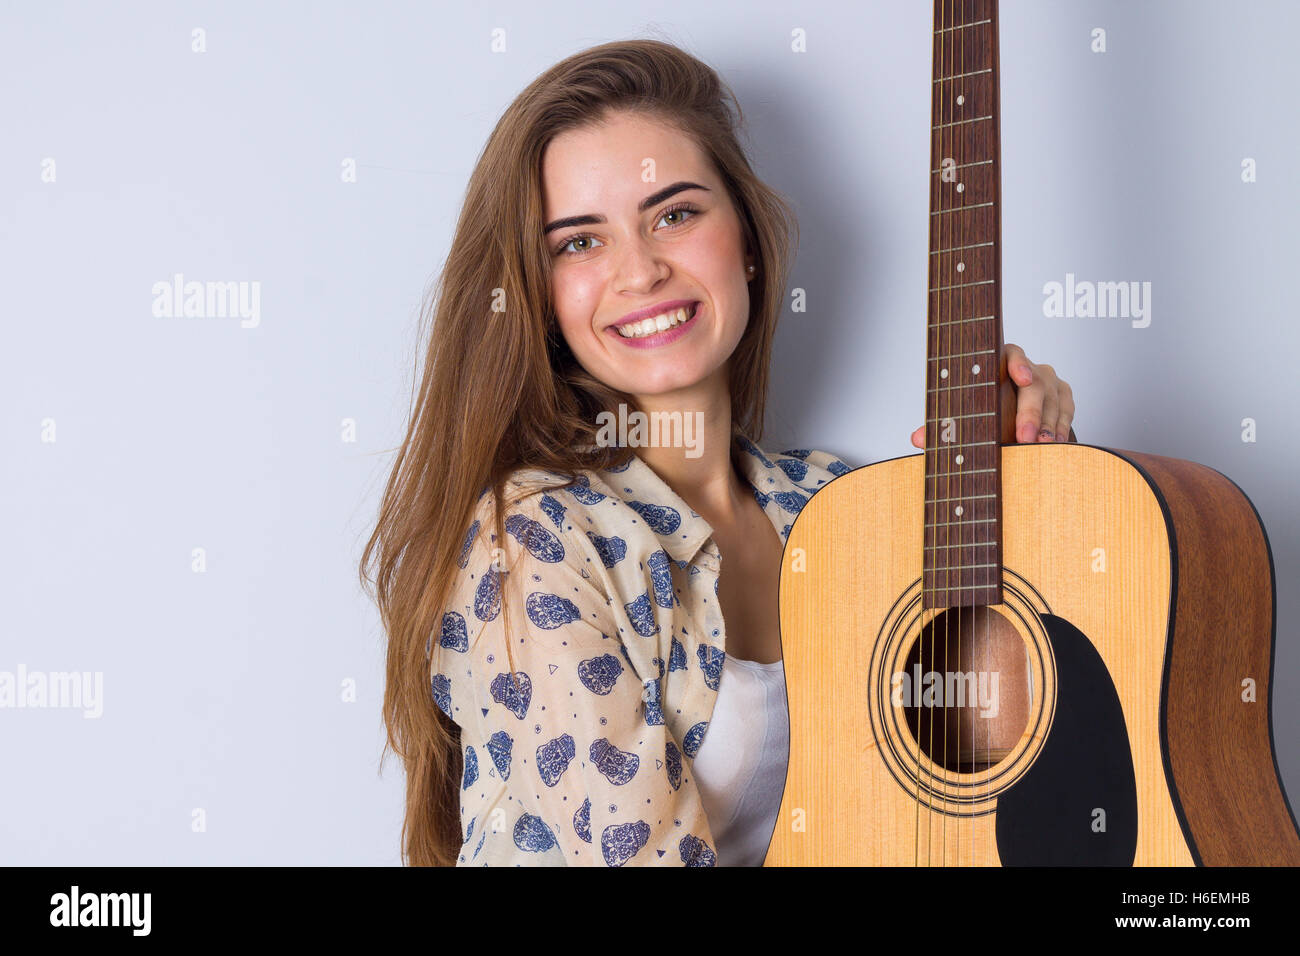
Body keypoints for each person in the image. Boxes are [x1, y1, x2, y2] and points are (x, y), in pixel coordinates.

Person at [359, 38, 1077, 867]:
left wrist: (1027, 471)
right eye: (579, 243)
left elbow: (997, 759)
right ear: (542, 298)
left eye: (674, 214)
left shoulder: (838, 507)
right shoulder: (531, 544)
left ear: (746, 239)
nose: (640, 272)